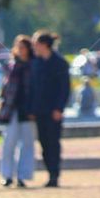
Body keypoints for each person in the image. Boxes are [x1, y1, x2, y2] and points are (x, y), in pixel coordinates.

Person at [29, 30, 71, 187]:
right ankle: (50, 172)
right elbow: (33, 88)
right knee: (44, 142)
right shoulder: (37, 63)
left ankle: (55, 174)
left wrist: (59, 108)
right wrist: (32, 109)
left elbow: (64, 88)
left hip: (53, 110)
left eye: (36, 44)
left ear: (44, 44)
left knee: (53, 142)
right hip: (40, 109)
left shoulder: (59, 63)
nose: (34, 47)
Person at [0, 35, 35, 187]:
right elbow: (5, 88)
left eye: (23, 47)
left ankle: (23, 175)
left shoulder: (34, 65)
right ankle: (7, 175)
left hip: (28, 109)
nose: (20, 50)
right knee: (9, 142)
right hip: (11, 109)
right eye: (18, 47)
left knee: (27, 143)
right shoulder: (11, 66)